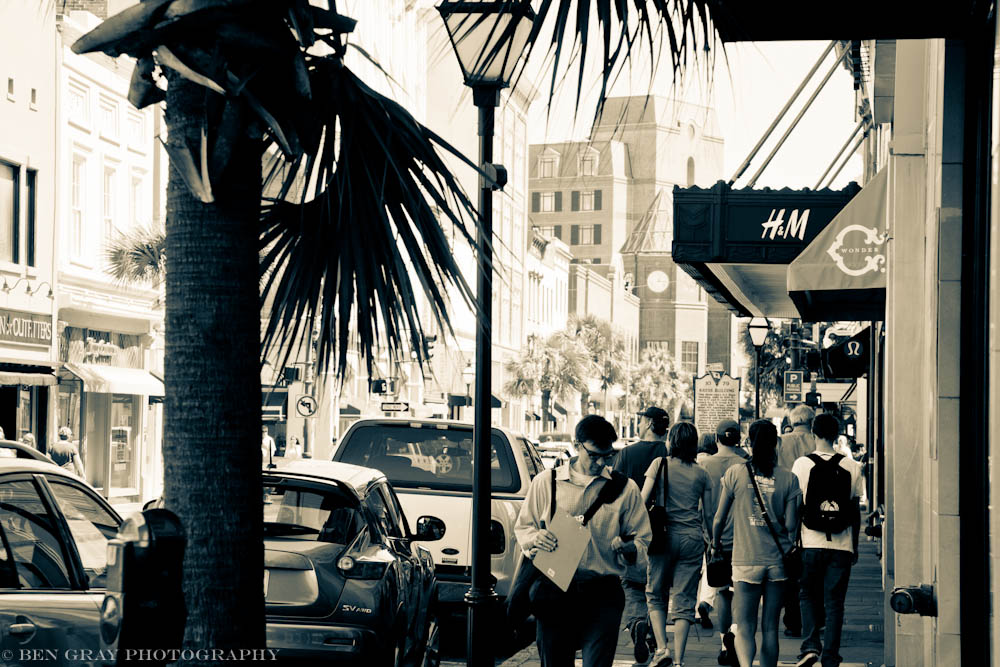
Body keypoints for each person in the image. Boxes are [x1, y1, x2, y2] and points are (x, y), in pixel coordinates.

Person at [514, 415, 651, 667]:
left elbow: (642, 539)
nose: (601, 463)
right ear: (577, 445)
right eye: (594, 455)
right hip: (555, 591)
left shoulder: (625, 488)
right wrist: (536, 538)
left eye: (607, 456)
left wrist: (629, 548)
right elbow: (524, 527)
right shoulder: (547, 482)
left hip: (603, 593)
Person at [714, 420, 801, 667]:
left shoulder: (735, 473)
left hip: (745, 559)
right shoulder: (789, 478)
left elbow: (719, 518)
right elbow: (791, 525)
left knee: (745, 626)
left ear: (749, 442)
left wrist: (715, 543)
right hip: (777, 561)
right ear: (777, 443)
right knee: (771, 628)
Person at [791, 413, 863, 667]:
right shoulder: (852, 466)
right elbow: (855, 511)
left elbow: (796, 506)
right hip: (841, 544)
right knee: (835, 603)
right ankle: (831, 657)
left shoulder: (802, 464)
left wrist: (793, 539)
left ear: (814, 434)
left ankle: (810, 645)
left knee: (807, 595)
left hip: (810, 542)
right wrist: (854, 545)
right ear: (836, 435)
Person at [641, 422, 712, 667]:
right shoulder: (702, 473)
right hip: (692, 538)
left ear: (671, 441)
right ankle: (680, 661)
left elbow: (642, 500)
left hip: (662, 536)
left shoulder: (659, 464)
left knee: (656, 594)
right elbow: (708, 514)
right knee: (684, 600)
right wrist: (712, 540)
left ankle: (662, 649)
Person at [613, 405, 671, 663]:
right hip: (665, 530)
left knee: (632, 584)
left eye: (641, 420)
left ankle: (638, 622)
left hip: (633, 529)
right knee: (659, 589)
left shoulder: (627, 453)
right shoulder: (670, 453)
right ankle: (654, 634)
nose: (638, 424)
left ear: (648, 424)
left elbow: (614, 490)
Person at [700, 419, 751, 665]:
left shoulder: (704, 464)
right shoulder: (746, 465)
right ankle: (736, 635)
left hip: (714, 538)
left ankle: (724, 644)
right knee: (742, 592)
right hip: (744, 538)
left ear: (716, 439)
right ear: (738, 440)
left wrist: (709, 537)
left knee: (722, 593)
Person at [775, 404, 815, 637]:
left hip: (785, 508)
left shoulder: (781, 442)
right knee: (812, 567)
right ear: (811, 421)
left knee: (790, 566)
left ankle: (792, 619)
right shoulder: (817, 441)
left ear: (792, 421)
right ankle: (814, 618)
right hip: (814, 511)